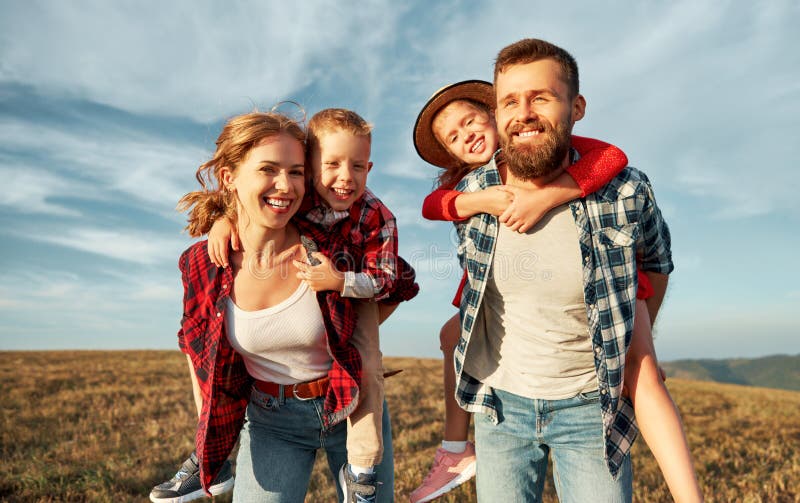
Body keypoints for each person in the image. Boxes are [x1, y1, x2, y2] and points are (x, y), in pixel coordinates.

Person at [411, 80, 702, 502]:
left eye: (471, 121)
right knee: (451, 336)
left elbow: (612, 157)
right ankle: (454, 449)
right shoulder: (475, 185)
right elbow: (432, 204)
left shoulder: (576, 162)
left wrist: (547, 197)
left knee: (643, 372)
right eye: (453, 137)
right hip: (504, 364)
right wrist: (478, 202)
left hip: (610, 281)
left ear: (495, 114)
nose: (467, 135)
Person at [169, 110, 400, 503]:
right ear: (229, 177)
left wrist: (352, 325)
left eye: (295, 172)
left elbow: (397, 282)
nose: (285, 185)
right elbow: (195, 343)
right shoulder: (203, 262)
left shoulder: (332, 246)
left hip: (350, 405)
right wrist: (208, 439)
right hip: (271, 420)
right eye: (269, 169)